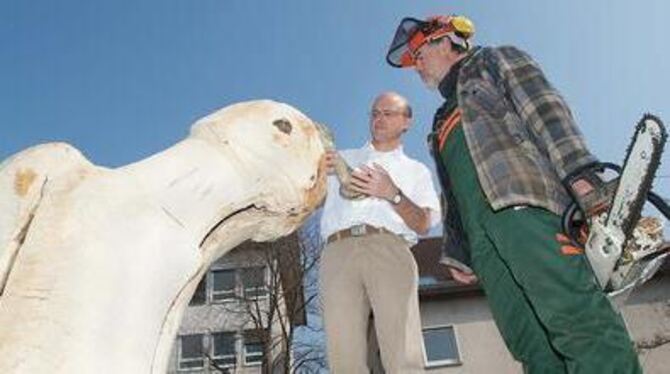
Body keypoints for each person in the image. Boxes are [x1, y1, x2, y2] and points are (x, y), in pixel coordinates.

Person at [385, 15, 642, 374]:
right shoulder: (439, 122)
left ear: (445, 41)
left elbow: (547, 112)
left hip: (524, 207)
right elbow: (455, 195)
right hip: (484, 243)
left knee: (576, 320)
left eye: (420, 52)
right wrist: (459, 252)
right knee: (530, 347)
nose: (416, 65)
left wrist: (582, 176)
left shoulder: (494, 61)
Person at [319, 91, 441, 373]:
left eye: (388, 113)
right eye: (375, 113)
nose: (379, 118)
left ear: (406, 122)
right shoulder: (341, 158)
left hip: (389, 248)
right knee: (343, 356)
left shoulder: (416, 170)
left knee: (402, 350)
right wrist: (314, 174)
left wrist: (393, 194)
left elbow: (424, 222)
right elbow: (310, 202)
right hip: (338, 250)